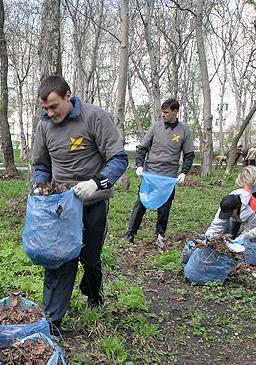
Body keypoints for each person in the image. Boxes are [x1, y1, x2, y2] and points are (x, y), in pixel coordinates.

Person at [31, 75, 129, 333]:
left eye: (54, 107)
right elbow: (41, 164)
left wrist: (97, 183)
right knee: (59, 259)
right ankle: (53, 320)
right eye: (45, 109)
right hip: (61, 206)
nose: (50, 113)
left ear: (68, 96)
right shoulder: (44, 126)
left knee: (90, 256)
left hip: (92, 201)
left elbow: (118, 158)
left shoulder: (94, 117)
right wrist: (40, 185)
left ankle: (94, 295)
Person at [125, 98, 194, 247]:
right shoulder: (155, 128)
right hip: (150, 174)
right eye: (162, 112)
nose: (163, 115)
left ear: (175, 112)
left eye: (166, 112)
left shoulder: (183, 131)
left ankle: (159, 236)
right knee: (140, 204)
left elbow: (189, 154)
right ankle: (130, 234)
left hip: (168, 177)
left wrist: (184, 172)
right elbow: (142, 147)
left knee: (164, 208)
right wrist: (139, 165)